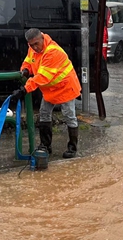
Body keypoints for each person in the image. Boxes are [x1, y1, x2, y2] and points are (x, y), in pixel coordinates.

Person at [9, 28, 82, 159]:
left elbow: (43, 76)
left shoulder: (52, 52)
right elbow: (29, 62)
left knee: (69, 116)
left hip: (66, 87)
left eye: (36, 44)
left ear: (42, 38)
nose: (35, 47)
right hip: (50, 89)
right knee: (44, 114)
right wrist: (25, 70)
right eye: (31, 45)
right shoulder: (33, 48)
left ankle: (72, 148)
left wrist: (24, 90)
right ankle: (45, 146)